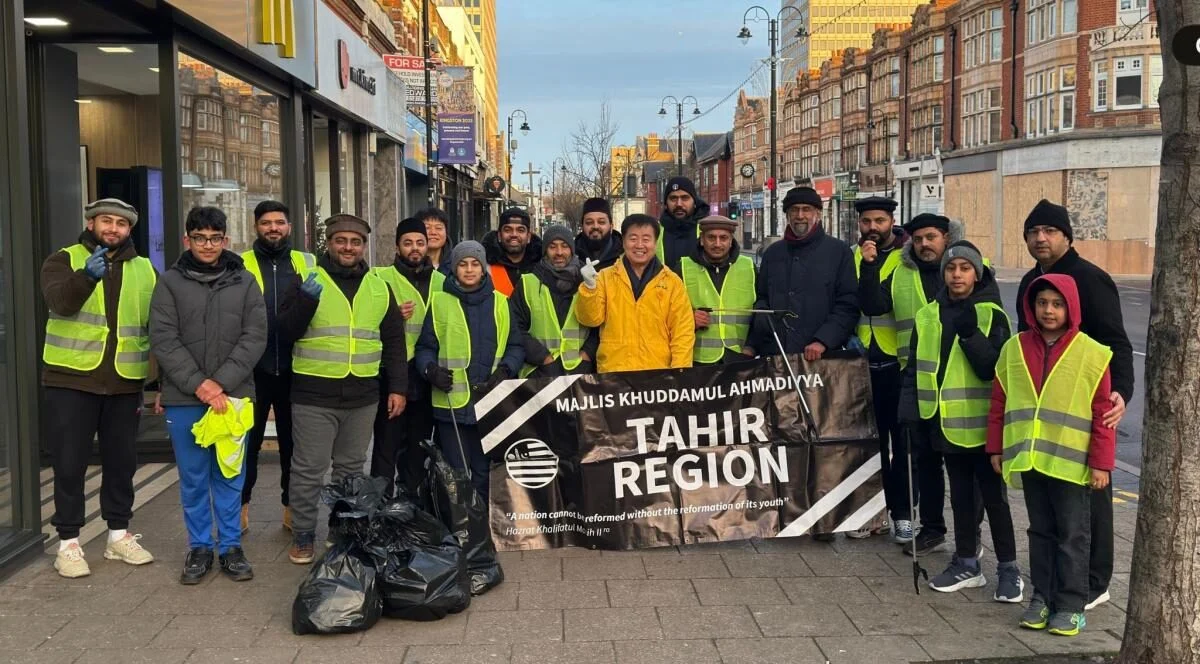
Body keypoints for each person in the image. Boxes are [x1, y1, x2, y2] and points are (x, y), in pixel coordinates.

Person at [1014, 199, 1133, 611]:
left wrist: (1121, 393)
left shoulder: (1089, 279)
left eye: (1049, 231)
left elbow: (1117, 342)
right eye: (1033, 232)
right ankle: (1056, 583)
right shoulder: (1033, 281)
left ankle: (1095, 581)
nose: (1040, 238)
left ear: (1067, 236)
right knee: (1051, 513)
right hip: (1044, 417)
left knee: (1093, 503)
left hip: (1089, 405)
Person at [277, 214, 408, 564]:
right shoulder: (308, 279)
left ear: (363, 246)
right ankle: (304, 535)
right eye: (340, 241)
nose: (348, 247)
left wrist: (398, 387)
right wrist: (304, 301)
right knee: (308, 468)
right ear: (329, 244)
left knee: (350, 470)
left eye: (355, 242)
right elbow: (285, 332)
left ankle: (342, 531)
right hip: (313, 394)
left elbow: (394, 342)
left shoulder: (379, 286)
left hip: (363, 396)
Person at [988, 274, 1115, 637]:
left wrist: (1101, 463)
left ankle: (1071, 604)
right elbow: (1000, 401)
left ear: (1071, 308)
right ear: (1032, 306)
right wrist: (995, 447)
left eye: (1057, 304)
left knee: (1073, 535)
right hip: (1030, 460)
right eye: (1042, 302)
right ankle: (1041, 597)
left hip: (1072, 464)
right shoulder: (1014, 348)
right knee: (1040, 532)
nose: (1049, 310)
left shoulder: (1092, 353)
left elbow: (1102, 411)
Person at [899, 240, 1022, 601]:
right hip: (945, 424)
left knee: (995, 499)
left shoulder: (991, 314)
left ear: (976, 274)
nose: (957, 275)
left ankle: (1009, 569)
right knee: (962, 499)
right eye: (951, 269)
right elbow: (916, 369)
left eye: (965, 269)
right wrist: (908, 414)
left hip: (984, 426)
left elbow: (994, 371)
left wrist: (970, 335)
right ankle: (967, 562)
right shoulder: (928, 315)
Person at [41, 198, 157, 578]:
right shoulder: (64, 259)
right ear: (90, 223)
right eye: (105, 221)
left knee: (122, 464)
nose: (113, 229)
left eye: (121, 224)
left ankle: (118, 536)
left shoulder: (145, 269)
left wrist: (162, 385)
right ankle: (69, 544)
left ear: (130, 230)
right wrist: (86, 277)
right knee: (70, 463)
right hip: (72, 379)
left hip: (124, 381)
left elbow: (155, 327)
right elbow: (61, 303)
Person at [151, 206, 267, 584]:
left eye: (215, 238)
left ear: (225, 241)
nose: (207, 245)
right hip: (186, 398)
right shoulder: (169, 282)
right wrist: (200, 384)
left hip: (233, 398)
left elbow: (255, 337)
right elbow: (164, 339)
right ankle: (200, 547)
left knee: (230, 475)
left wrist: (219, 382)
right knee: (194, 477)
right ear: (188, 240)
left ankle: (231, 547)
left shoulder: (245, 282)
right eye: (199, 238)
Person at [859, 213, 971, 556]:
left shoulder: (962, 270)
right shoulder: (901, 271)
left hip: (959, 380)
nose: (924, 244)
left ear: (946, 238)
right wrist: (869, 267)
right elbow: (874, 305)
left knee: (963, 464)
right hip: (915, 376)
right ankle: (925, 525)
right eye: (919, 238)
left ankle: (971, 539)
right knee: (917, 455)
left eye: (931, 237)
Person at [415, 241, 525, 500]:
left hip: (490, 401)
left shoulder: (501, 302)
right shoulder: (440, 302)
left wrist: (506, 371)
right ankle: (461, 531)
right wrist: (430, 370)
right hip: (452, 405)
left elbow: (516, 345)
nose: (469, 269)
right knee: (456, 473)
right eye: (463, 264)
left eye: (475, 264)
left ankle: (484, 529)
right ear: (454, 269)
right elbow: (425, 347)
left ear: (483, 269)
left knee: (485, 471)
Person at [239, 200, 315, 533]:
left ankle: (290, 509)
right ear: (256, 226)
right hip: (252, 371)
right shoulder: (238, 264)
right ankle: (239, 510)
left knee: (293, 446)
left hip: (296, 368)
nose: (274, 228)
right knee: (247, 445)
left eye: (280, 222)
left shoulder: (306, 262)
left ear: (289, 227)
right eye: (267, 222)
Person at [371, 217, 445, 496]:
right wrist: (388, 317)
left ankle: (411, 507)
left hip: (426, 375)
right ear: (397, 246)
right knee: (386, 447)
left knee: (418, 447)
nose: (414, 248)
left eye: (420, 243)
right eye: (408, 243)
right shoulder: (380, 278)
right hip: (392, 373)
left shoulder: (442, 281)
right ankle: (379, 510)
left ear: (428, 246)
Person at [851, 196, 910, 542]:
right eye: (866, 222)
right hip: (860, 360)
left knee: (900, 445)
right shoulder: (854, 255)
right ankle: (872, 513)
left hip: (896, 361)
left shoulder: (907, 258)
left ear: (891, 221)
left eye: (879, 221)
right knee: (867, 445)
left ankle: (902, 513)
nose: (872, 228)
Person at [576, 214, 694, 373]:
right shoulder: (605, 277)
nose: (639, 245)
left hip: (658, 374)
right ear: (623, 241)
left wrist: (680, 373)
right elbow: (591, 319)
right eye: (633, 239)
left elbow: (683, 333)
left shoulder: (672, 282)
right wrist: (589, 288)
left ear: (655, 242)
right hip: (614, 373)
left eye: (646, 239)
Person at [752, 186, 858, 360]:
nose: (800, 215)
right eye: (794, 210)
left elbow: (848, 304)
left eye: (806, 209)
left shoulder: (839, 252)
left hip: (821, 358)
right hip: (777, 356)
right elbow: (761, 298)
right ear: (787, 215)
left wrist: (823, 340)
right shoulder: (773, 253)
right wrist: (759, 335)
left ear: (817, 213)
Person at [514, 224, 599, 377]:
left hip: (580, 372)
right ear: (545, 251)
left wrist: (586, 355)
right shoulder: (528, 283)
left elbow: (599, 325)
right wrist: (544, 358)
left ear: (572, 250)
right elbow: (515, 328)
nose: (559, 252)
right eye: (552, 247)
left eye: (564, 246)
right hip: (539, 373)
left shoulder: (587, 280)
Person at [679, 214, 757, 364]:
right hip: (697, 360)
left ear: (731, 241)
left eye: (723, 238)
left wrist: (751, 347)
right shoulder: (683, 267)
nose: (717, 243)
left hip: (739, 358)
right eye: (711, 237)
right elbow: (669, 314)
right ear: (702, 240)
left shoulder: (748, 267)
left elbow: (761, 310)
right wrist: (689, 320)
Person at [484, 208, 541, 297]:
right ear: (499, 235)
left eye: (520, 230)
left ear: (529, 237)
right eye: (508, 230)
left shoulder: (541, 267)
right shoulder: (485, 268)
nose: (514, 234)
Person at [657, 176, 710, 271]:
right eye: (673, 198)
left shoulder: (706, 229)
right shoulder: (655, 232)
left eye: (685, 198)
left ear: (695, 202)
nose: (679, 204)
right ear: (666, 203)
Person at [575, 197, 623, 270]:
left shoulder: (624, 255)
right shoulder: (572, 255)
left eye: (601, 222)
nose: (595, 226)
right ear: (582, 226)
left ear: (611, 226)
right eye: (589, 222)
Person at [416, 207, 453, 274]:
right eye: (427, 228)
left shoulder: (456, 264)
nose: (433, 232)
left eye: (438, 228)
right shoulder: (407, 266)